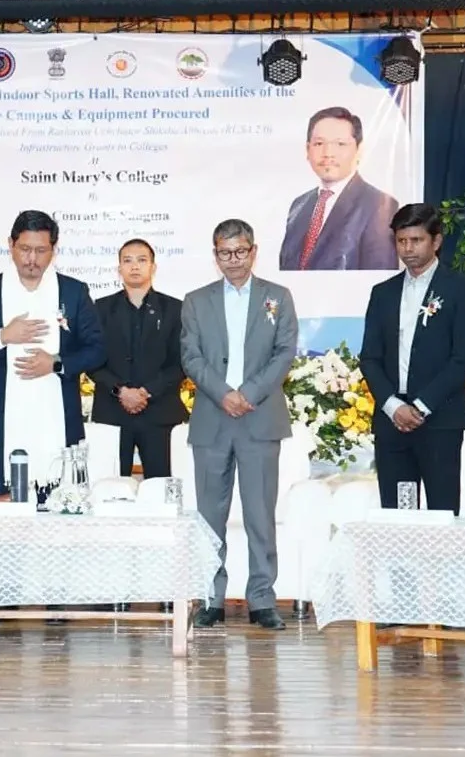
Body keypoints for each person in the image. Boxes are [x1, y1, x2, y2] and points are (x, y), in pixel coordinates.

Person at [180, 219, 297, 631]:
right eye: (224, 253)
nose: (233, 260)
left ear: (253, 251)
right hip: (213, 418)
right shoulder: (195, 301)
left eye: (240, 252)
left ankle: (262, 599)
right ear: (215, 255)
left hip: (259, 418)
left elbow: (284, 353)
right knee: (209, 516)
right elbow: (191, 357)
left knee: (259, 514)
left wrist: (248, 392)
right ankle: (211, 597)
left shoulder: (277, 297)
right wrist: (223, 393)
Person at [0, 210, 105, 489]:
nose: (32, 259)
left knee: (62, 507)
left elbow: (97, 350)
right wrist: (2, 336)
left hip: (57, 419)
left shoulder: (73, 291)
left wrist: (57, 363)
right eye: (24, 249)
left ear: (53, 250)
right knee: (4, 513)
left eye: (40, 250)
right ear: (10, 245)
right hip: (5, 420)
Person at [359, 203, 465, 514]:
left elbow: (462, 358)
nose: (408, 248)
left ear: (436, 241)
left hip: (439, 420)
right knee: (399, 515)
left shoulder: (460, 289)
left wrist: (421, 406)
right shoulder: (383, 292)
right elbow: (370, 357)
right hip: (392, 422)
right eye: (402, 241)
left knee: (441, 511)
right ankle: (401, 566)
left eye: (416, 240)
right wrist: (393, 406)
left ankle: (443, 566)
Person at [89, 238, 185, 479]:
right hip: (112, 414)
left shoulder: (176, 309)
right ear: (118, 268)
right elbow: (92, 359)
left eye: (142, 260)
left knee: (162, 492)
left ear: (153, 267)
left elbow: (181, 362)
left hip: (160, 413)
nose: (134, 266)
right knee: (108, 492)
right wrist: (121, 391)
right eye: (127, 261)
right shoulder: (100, 309)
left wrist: (146, 391)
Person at [279, 106, 399, 271]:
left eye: (340, 144)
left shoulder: (380, 205)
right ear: (308, 149)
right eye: (319, 143)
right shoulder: (299, 205)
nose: (328, 153)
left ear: (359, 150)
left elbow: (379, 274)